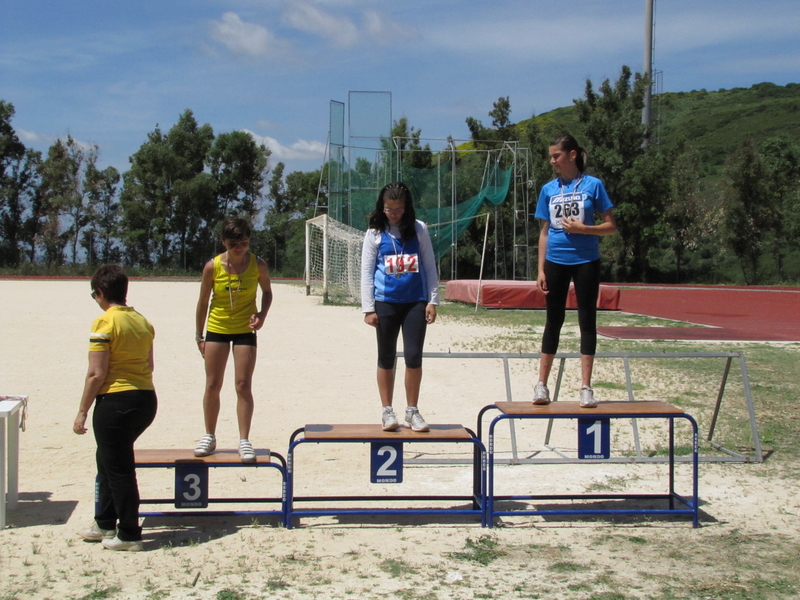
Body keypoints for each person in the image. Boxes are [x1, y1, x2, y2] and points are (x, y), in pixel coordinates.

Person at [74, 265, 157, 552]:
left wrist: (83, 410)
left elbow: (96, 373)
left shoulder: (104, 323)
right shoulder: (143, 322)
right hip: (145, 399)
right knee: (108, 459)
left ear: (100, 293)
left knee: (119, 468)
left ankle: (130, 533)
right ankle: (105, 521)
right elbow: (149, 365)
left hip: (116, 403)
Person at [533, 134, 617, 408]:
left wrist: (585, 229)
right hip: (556, 259)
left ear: (572, 155)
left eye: (556, 155)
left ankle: (586, 387)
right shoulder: (548, 189)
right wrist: (540, 269)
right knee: (553, 320)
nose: (552, 161)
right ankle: (541, 385)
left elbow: (610, 226)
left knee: (586, 320)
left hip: (586, 260)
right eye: (551, 156)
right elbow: (544, 231)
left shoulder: (594, 185)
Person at [361, 181, 440, 432]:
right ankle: (387, 411)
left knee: (414, 355)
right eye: (388, 209)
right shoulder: (374, 233)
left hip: (415, 301)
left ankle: (412, 411)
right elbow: (366, 272)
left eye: (398, 209)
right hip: (385, 302)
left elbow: (429, 265)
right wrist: (368, 308)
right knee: (386, 356)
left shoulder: (419, 230)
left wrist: (433, 300)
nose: (393, 214)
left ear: (407, 208)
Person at [194, 218, 272, 462]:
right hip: (217, 328)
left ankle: (244, 439)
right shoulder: (212, 267)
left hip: (244, 330)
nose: (239, 248)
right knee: (213, 384)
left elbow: (267, 292)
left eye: (244, 243)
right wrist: (199, 335)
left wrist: (261, 315)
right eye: (233, 244)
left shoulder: (258, 265)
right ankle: (209, 435)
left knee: (242, 384)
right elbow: (203, 302)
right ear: (223, 242)